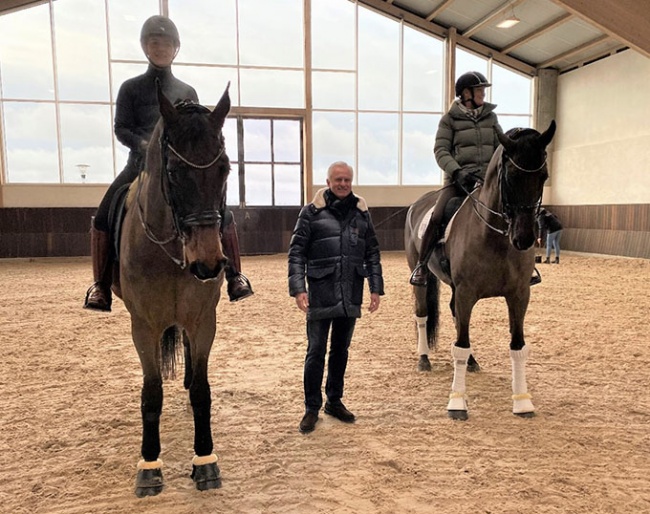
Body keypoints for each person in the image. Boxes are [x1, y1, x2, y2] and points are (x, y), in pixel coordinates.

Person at [84, 15, 252, 312]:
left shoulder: (187, 92)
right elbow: (121, 128)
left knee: (220, 212)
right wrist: (146, 145)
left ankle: (235, 276)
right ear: (145, 47)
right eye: (154, 43)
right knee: (103, 213)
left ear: (175, 49)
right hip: (139, 167)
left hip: (179, 170)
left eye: (167, 44)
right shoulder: (130, 88)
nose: (160, 48)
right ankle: (100, 285)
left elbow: (197, 133)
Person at [288, 161, 384, 434]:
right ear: (328, 181)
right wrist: (298, 288)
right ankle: (311, 407)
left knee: (340, 351)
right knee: (315, 352)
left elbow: (372, 253)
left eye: (347, 180)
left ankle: (334, 400)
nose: (343, 184)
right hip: (320, 292)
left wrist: (375, 287)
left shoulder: (361, 213)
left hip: (350, 291)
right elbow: (296, 253)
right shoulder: (311, 212)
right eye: (338, 180)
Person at [410, 71, 503, 286]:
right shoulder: (449, 120)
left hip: (488, 182)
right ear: (466, 93)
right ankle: (422, 266)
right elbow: (441, 151)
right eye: (479, 89)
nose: (483, 93)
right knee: (438, 215)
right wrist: (457, 172)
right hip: (459, 182)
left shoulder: (491, 117)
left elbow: (499, 147)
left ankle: (524, 267)